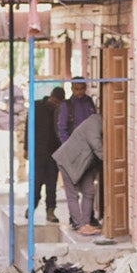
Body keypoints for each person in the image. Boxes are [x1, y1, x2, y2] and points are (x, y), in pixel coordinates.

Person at [54, 103, 104, 237]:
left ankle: (86, 223)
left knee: (89, 192)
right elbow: (97, 146)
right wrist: (110, 161)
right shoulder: (94, 123)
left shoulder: (98, 123)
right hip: (68, 161)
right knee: (73, 195)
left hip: (84, 164)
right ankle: (79, 225)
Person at [32, 86, 64, 221]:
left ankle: (50, 211)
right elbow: (29, 126)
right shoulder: (37, 106)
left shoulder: (61, 110)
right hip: (38, 151)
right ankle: (31, 207)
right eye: (55, 101)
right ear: (51, 96)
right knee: (36, 182)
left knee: (51, 184)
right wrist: (27, 148)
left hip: (54, 152)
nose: (55, 105)